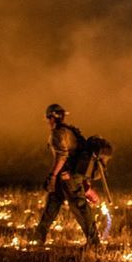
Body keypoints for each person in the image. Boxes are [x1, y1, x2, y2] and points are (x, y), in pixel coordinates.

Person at [32, 103, 100, 247]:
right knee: (52, 205)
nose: (47, 121)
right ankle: (38, 238)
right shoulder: (69, 131)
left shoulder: (58, 133)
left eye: (48, 118)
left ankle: (94, 243)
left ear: (51, 118)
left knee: (79, 208)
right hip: (67, 176)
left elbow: (62, 156)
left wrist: (53, 175)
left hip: (68, 177)